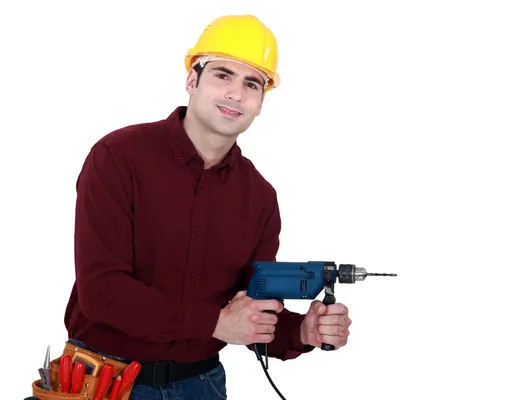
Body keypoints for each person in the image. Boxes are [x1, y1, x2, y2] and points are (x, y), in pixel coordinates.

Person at [63, 14, 352, 400]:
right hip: (102, 383)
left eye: (252, 83)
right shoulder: (118, 157)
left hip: (201, 386)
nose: (236, 93)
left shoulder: (260, 197)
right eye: (222, 75)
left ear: (261, 102)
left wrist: (301, 332)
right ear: (191, 80)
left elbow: (248, 309)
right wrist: (216, 322)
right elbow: (102, 291)